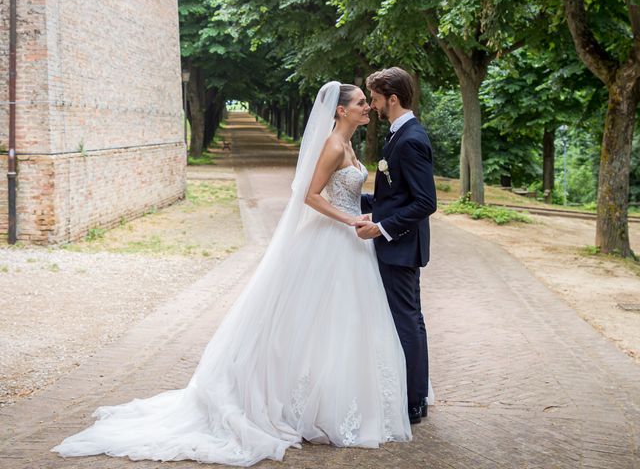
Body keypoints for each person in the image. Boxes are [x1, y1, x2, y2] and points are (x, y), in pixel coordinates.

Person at [52, 81, 414, 467]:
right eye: (360, 103)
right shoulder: (332, 145)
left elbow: (349, 192)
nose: (366, 107)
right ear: (340, 110)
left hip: (351, 245)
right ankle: (305, 406)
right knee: (316, 321)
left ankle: (331, 402)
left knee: (340, 325)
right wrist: (348, 219)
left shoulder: (351, 145)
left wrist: (366, 217)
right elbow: (308, 194)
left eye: (365, 102)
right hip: (332, 239)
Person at [356, 67, 437, 424]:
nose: (372, 106)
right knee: (404, 319)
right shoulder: (398, 135)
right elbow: (396, 195)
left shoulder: (412, 140)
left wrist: (382, 228)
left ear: (392, 98)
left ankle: (414, 401)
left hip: (401, 246)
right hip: (397, 244)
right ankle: (412, 394)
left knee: (407, 321)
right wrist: (352, 200)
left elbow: (424, 202)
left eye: (374, 99)